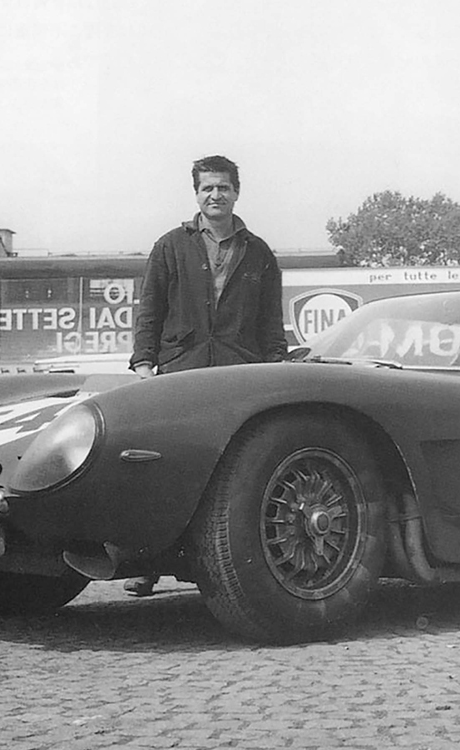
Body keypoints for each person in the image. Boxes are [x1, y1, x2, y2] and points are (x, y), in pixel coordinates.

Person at [124, 155, 288, 596]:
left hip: (241, 376)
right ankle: (146, 564)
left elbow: (272, 322)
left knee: (234, 473)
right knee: (165, 470)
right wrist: (144, 364)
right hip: (181, 371)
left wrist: (277, 367)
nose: (215, 195)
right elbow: (150, 310)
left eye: (223, 187)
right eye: (206, 188)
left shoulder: (259, 253)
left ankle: (229, 567)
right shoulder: (170, 246)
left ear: (237, 192)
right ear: (196, 194)